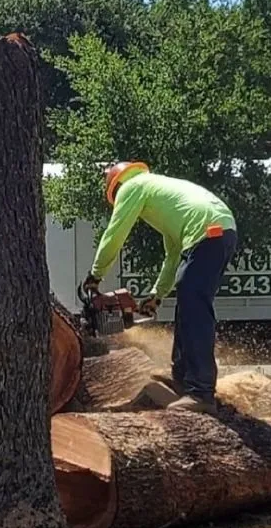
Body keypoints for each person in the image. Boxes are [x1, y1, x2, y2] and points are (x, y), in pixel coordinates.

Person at [82, 161, 237, 415]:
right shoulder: (162, 196)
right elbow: (172, 256)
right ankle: (182, 379)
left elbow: (115, 233)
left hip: (210, 233)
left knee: (195, 308)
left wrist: (95, 275)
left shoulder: (132, 186)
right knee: (187, 305)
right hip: (215, 231)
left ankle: (201, 393)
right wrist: (156, 295)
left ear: (116, 186)